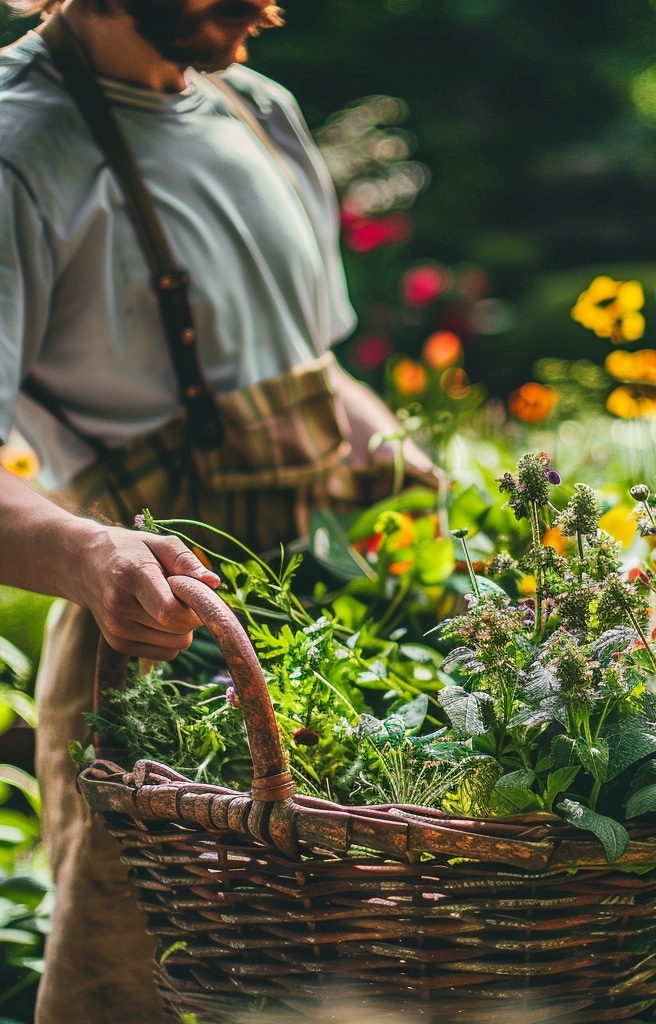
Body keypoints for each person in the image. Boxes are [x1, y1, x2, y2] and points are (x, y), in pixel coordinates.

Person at [0, 1, 434, 1019]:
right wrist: (89, 554)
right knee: (142, 980)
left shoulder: (256, 109)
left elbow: (311, 371)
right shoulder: (22, 146)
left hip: (343, 626)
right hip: (162, 649)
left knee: (362, 973)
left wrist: (412, 469)